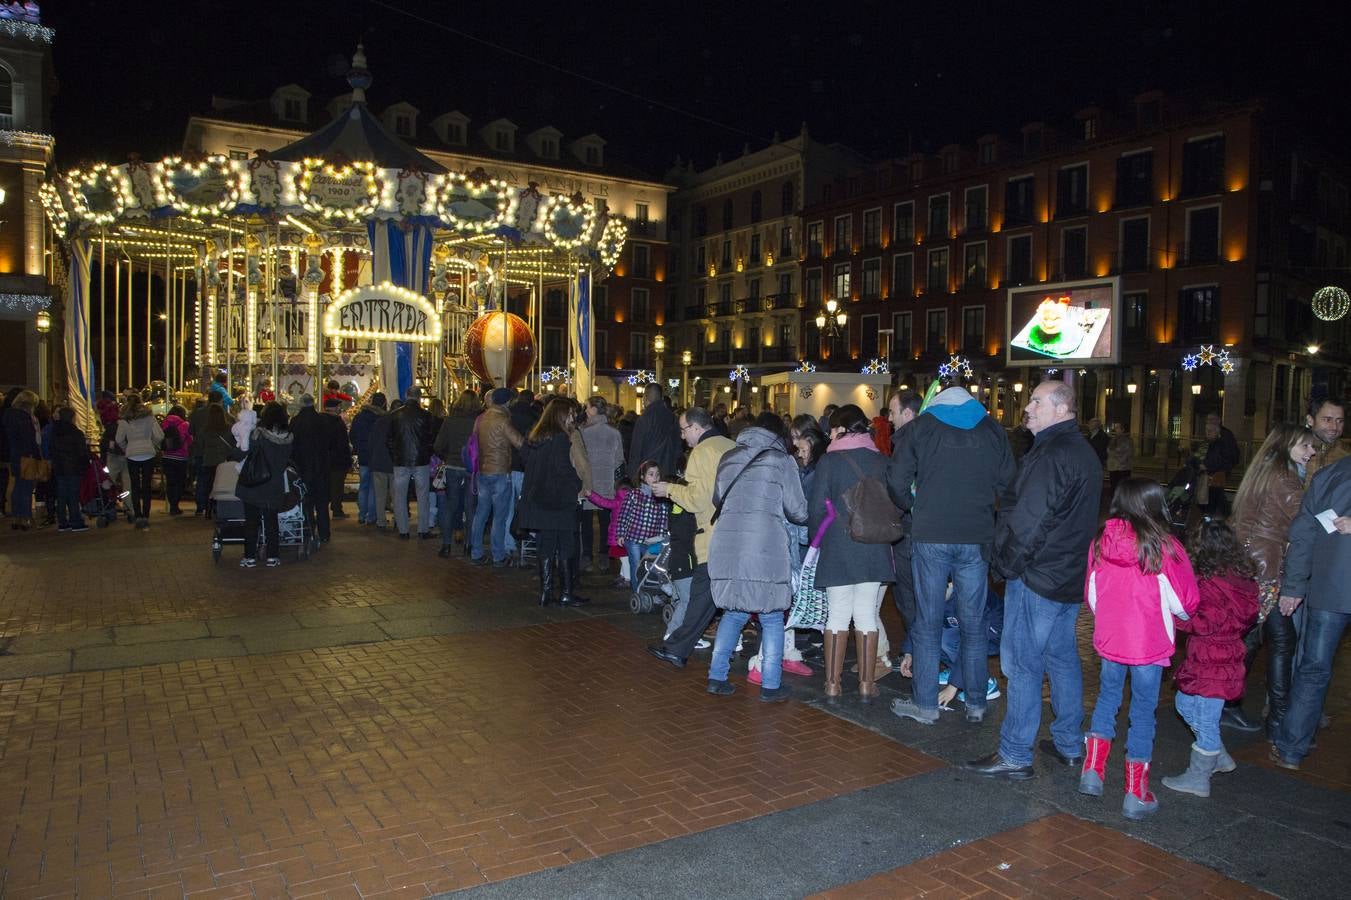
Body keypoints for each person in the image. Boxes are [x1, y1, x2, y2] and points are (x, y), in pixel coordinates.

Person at [967, 381, 1102, 780]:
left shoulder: (1053, 455)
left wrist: (1006, 564)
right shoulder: (1082, 452)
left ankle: (1015, 752)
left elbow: (1030, 522)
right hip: (1067, 576)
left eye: (1036, 401)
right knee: (1061, 658)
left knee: (1022, 663)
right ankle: (1068, 743)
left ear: (1062, 409)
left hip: (1038, 576)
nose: (1027, 407)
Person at [887, 379, 1015, 726]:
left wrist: (915, 507)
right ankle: (975, 702)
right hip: (976, 537)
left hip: (931, 535)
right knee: (973, 622)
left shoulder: (922, 427)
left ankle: (926, 705)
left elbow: (896, 480)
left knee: (928, 621)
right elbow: (1009, 485)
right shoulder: (992, 428)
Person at [1077, 478, 1199, 820]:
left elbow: (1091, 592)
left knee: (1107, 699)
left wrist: (1109, 621)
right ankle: (1135, 792)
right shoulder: (1166, 547)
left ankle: (1092, 772)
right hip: (1149, 643)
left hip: (1112, 640)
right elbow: (1185, 602)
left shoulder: (1101, 541)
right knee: (1143, 712)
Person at [704, 416, 808, 701]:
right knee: (772, 616)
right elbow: (799, 511)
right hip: (765, 546)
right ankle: (771, 685)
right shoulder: (782, 460)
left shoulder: (728, 456)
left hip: (727, 542)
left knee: (734, 610)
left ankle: (717, 676)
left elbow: (718, 498)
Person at [1228, 424, 1317, 735]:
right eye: (1305, 446)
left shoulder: (1264, 470)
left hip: (1250, 564)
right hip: (1269, 569)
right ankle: (1277, 718)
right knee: (1280, 641)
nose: (1312, 452)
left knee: (1254, 638)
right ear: (1288, 446)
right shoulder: (1287, 479)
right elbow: (1307, 521)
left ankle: (1230, 702)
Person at [1162, 519, 1257, 798]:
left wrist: (1177, 617)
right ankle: (1220, 757)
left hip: (1211, 658)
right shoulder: (1242, 581)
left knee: (1204, 719)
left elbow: (1204, 622)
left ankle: (1198, 778)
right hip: (1223, 656)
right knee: (1185, 703)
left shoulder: (1211, 585)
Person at [810, 404, 896, 703]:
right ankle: (865, 684)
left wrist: (817, 542)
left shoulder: (830, 461)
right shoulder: (881, 460)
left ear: (839, 429)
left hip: (838, 546)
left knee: (837, 613)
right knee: (866, 614)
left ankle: (832, 685)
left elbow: (817, 508)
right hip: (874, 545)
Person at [1270, 455, 1351, 771]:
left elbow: (1303, 533)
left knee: (1313, 669)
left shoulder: (1331, 476)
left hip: (1330, 587)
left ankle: (1291, 748)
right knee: (1313, 669)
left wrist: (1294, 584)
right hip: (1330, 587)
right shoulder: (1330, 475)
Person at [647, 407, 736, 667]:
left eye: (684, 430)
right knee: (718, 601)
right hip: (736, 534)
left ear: (697, 428)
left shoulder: (701, 452)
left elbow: (697, 500)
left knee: (701, 597)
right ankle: (679, 648)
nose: (683, 436)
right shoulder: (731, 446)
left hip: (712, 535)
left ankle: (679, 650)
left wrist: (669, 489)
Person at [517, 398, 590, 606]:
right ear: (560, 415)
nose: (572, 418)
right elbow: (563, 469)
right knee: (567, 544)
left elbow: (526, 462)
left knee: (547, 545)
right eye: (569, 414)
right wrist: (577, 484)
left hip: (540, 500)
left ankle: (546, 591)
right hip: (559, 500)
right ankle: (566, 591)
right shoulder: (560, 438)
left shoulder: (536, 436)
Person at [886, 389, 923, 659]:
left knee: (909, 596)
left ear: (907, 413)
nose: (889, 418)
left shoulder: (908, 441)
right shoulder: (932, 437)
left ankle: (918, 654)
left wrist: (903, 509)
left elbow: (898, 485)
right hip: (930, 528)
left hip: (910, 530)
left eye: (892, 411)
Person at [469, 388, 524, 565]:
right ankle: (498, 555)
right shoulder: (503, 420)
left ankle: (476, 552)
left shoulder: (482, 418)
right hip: (500, 471)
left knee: (481, 514)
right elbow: (519, 442)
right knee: (499, 517)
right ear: (507, 402)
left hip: (483, 471)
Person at [236, 402, 294, 568]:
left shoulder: (258, 434)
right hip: (275, 484)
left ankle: (250, 556)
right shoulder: (289, 438)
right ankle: (273, 556)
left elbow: (245, 451)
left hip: (255, 483)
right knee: (271, 521)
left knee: (251, 522)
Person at [580, 396, 625, 573]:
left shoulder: (583, 432)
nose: (585, 410)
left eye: (587, 407)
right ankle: (604, 555)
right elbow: (619, 459)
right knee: (606, 521)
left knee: (586, 522)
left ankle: (587, 556)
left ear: (593, 410)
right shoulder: (614, 433)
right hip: (607, 482)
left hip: (588, 482)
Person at [432, 391, 480, 557]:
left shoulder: (449, 421)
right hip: (472, 468)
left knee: (450, 506)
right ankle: (469, 544)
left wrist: (448, 457)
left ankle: (446, 545)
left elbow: (438, 446)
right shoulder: (478, 421)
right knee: (470, 507)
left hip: (452, 466)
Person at [617, 459, 670, 591]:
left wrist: (663, 535)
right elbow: (624, 514)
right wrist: (620, 534)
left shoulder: (660, 497)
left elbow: (664, 517)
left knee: (650, 565)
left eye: (657, 474)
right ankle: (637, 592)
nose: (655, 477)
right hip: (633, 538)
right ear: (642, 477)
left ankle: (649, 591)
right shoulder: (634, 494)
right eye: (651, 474)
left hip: (651, 540)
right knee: (635, 564)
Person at [389, 387, 434, 539]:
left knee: (400, 496)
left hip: (401, 460)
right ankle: (423, 529)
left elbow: (389, 440)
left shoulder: (395, 415)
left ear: (406, 396)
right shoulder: (426, 415)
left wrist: (395, 455)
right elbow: (430, 438)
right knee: (423, 496)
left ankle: (403, 530)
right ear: (419, 397)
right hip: (421, 460)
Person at [288, 395, 333, 545]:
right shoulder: (323, 421)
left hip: (303, 468)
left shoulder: (295, 422)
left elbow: (292, 446)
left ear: (301, 404)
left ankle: (308, 531)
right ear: (313, 403)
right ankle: (324, 532)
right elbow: (328, 444)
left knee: (305, 502)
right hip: (321, 467)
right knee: (321, 503)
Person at [115, 394, 164, 530]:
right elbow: (160, 435)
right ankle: (146, 515)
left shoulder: (124, 420)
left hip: (132, 454)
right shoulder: (149, 417)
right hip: (148, 452)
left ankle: (138, 515)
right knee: (146, 486)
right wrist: (152, 444)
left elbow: (119, 439)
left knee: (135, 486)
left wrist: (127, 448)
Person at [504, 389, 540, 558]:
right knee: (526, 505)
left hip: (507, 465)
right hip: (524, 468)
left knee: (507, 507)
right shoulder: (534, 418)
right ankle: (528, 537)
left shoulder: (507, 416)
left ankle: (508, 543)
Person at [2, 390, 40, 530]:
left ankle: (16, 517)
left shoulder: (8, 415)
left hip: (13, 455)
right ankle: (26, 517)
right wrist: (36, 455)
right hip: (26, 455)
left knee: (17, 486)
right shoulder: (24, 418)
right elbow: (29, 439)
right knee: (26, 487)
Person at [49, 406, 91, 532]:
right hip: (73, 467)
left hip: (59, 468)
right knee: (73, 495)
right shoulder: (76, 433)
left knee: (62, 495)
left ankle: (62, 522)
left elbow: (51, 450)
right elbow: (82, 452)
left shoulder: (54, 432)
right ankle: (76, 521)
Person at [348, 392, 387, 525]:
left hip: (363, 455)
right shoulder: (382, 418)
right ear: (383, 403)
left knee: (363, 485)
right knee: (374, 487)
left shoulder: (359, 417)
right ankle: (371, 516)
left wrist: (359, 447)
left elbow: (352, 435)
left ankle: (361, 514)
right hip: (377, 456)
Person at [629, 382, 681, 481]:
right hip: (668, 472)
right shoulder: (672, 417)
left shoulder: (644, 419)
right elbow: (677, 447)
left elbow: (636, 451)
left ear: (645, 397)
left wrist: (633, 477)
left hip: (649, 473)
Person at [1197, 412, 1239, 516]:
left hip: (1219, 471)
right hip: (1211, 471)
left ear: (1219, 421)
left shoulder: (1224, 436)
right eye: (1208, 420)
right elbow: (1200, 453)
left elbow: (1223, 456)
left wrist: (1206, 465)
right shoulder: (1209, 439)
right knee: (1216, 495)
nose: (1209, 422)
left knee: (1214, 493)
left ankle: (1214, 514)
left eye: (1212, 420)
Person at [1302, 397, 1347, 486]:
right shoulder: (1292, 451)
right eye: (1327, 420)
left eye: (1340, 421)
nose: (1334, 427)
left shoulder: (1347, 455)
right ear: (1310, 420)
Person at [368, 399, 397, 531]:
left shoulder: (379, 422)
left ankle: (381, 521)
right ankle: (398, 519)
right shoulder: (398, 423)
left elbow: (372, 441)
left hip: (378, 462)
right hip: (394, 463)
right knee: (396, 494)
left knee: (380, 495)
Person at [159, 404, 191, 516]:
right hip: (181, 457)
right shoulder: (185, 424)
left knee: (170, 482)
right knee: (180, 482)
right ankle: (175, 505)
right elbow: (190, 440)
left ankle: (172, 505)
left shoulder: (164, 423)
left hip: (167, 456)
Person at [323, 397, 351, 520]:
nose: (340, 409)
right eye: (338, 407)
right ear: (333, 408)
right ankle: (337, 510)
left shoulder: (320, 421)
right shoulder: (337, 423)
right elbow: (343, 443)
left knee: (325, 486)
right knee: (337, 486)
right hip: (338, 460)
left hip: (323, 460)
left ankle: (324, 509)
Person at [1105, 423, 1133, 495]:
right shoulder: (1113, 439)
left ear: (1122, 430)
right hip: (1113, 467)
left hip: (1122, 467)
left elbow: (1126, 452)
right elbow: (1108, 450)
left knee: (1122, 487)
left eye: (1117, 428)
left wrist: (1116, 455)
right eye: (1115, 428)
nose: (1115, 430)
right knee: (1114, 486)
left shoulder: (1127, 440)